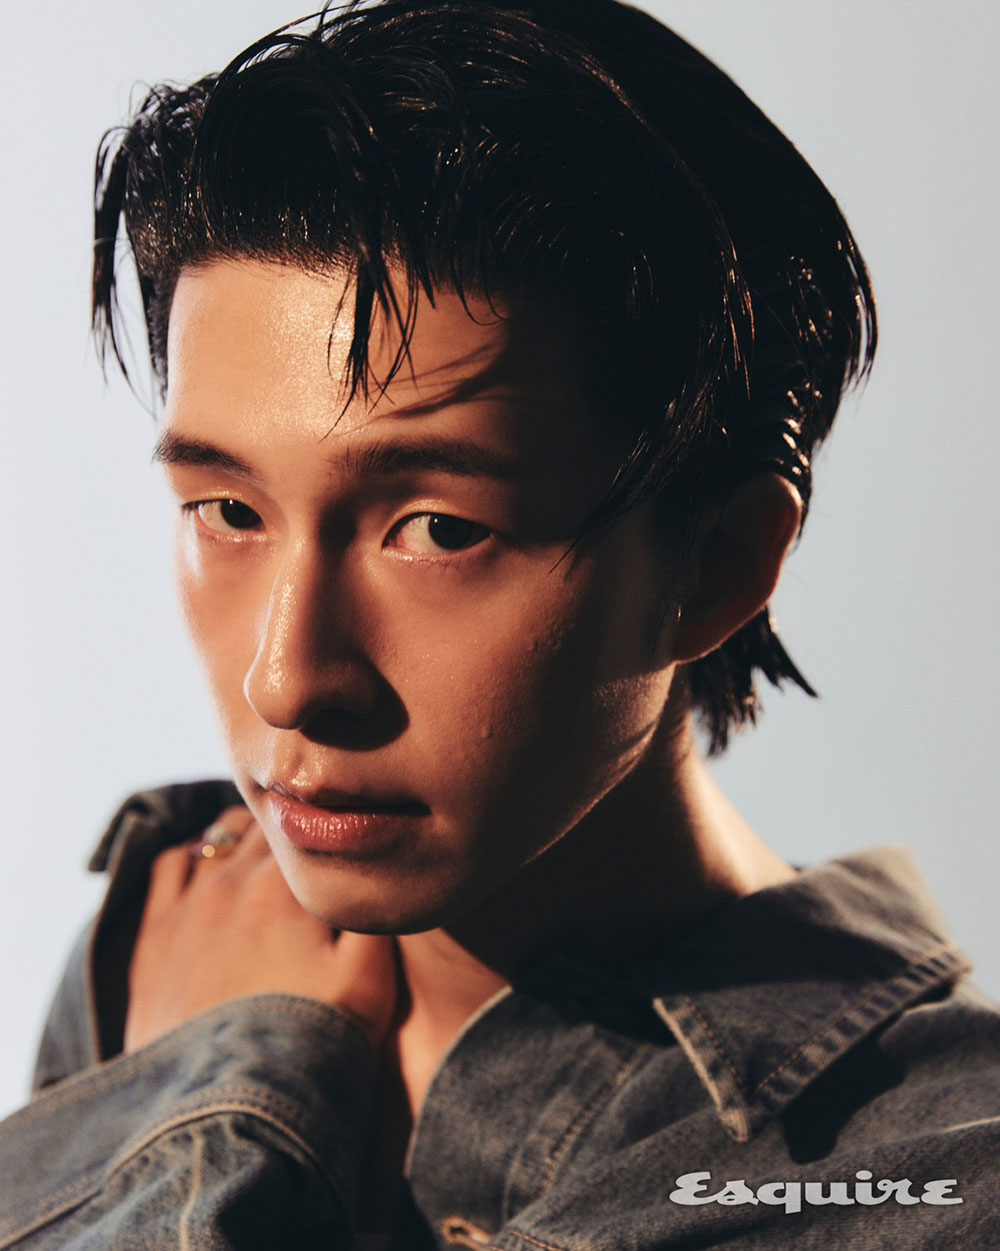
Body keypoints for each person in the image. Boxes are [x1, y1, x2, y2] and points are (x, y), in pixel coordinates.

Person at [1, 0, 997, 1246]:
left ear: (718, 563)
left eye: (437, 529)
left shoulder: (928, 1170)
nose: (287, 678)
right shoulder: (166, 941)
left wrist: (211, 1103)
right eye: (229, 511)